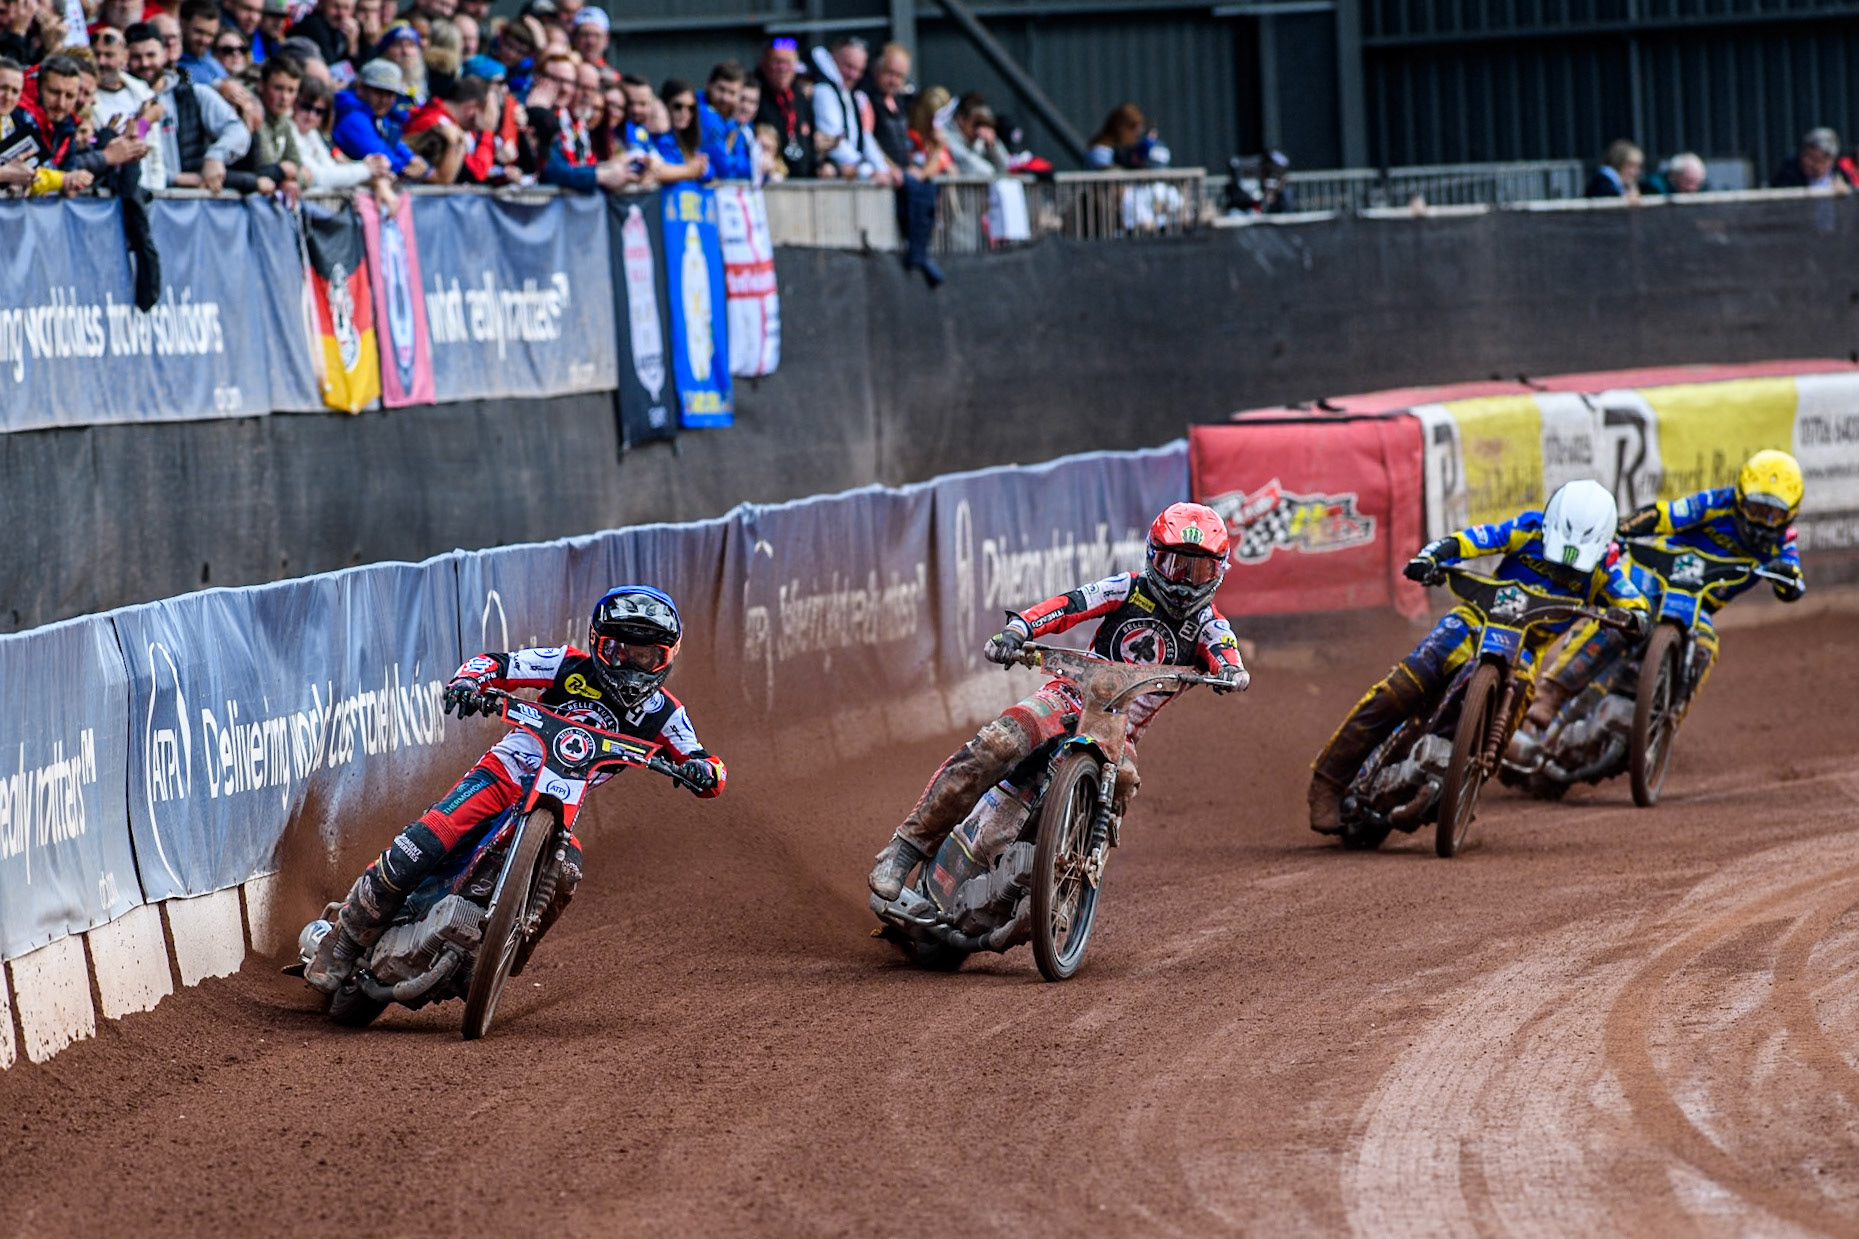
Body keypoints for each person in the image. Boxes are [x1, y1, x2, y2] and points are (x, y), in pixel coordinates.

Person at [304, 587, 728, 994]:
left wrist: (703, 771)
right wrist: (470, 682)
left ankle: (502, 957)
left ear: (666, 658)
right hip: (503, 776)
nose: (632, 666)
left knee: (567, 872)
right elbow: (498, 663)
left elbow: (707, 762)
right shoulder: (566, 664)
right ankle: (342, 943)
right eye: (622, 652)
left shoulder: (666, 713)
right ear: (599, 644)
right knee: (428, 839)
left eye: (646, 656)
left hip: (561, 808)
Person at [868, 503, 1250, 899]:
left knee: (1121, 781)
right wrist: (1019, 629)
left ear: (1218, 572)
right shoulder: (1128, 588)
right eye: (1175, 566)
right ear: (1153, 557)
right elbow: (1070, 605)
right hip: (1068, 697)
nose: (1183, 582)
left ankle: (1071, 872)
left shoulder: (1208, 623)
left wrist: (1232, 672)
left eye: (1198, 570)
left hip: (1119, 731)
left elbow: (1226, 650)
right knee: (1000, 742)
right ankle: (905, 848)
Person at [1306, 479, 1649, 834]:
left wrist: (1636, 618)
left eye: (1574, 569)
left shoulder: (1605, 569)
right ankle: (1329, 782)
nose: (1564, 571)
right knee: (1403, 687)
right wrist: (1433, 557)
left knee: (1510, 715)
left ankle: (1464, 783)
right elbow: (1471, 540)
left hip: (1525, 652)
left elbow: (1633, 599)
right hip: (1471, 623)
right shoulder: (1526, 529)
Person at [1522, 451, 1807, 736]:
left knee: (1707, 644)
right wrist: (1620, 530)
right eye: (1756, 509)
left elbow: (1792, 582)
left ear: (1790, 514)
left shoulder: (1783, 544)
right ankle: (1552, 691)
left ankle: (1664, 725)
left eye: (1774, 515)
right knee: (1624, 616)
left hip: (1695, 610)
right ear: (1741, 498)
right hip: (1656, 577)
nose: (1762, 522)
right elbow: (1664, 515)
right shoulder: (1716, 503)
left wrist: (1787, 578)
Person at [809, 36, 894, 183]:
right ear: (833, 59)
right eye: (848, 67)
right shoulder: (825, 91)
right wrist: (867, 170)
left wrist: (883, 169)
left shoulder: (849, 93)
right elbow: (833, 140)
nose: (853, 75)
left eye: (859, 70)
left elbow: (863, 136)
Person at [330, 55, 424, 177]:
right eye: (378, 92)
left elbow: (393, 143)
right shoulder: (352, 117)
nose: (384, 100)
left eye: (390, 94)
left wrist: (413, 160)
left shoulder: (378, 114)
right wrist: (405, 168)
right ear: (361, 89)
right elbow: (382, 158)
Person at [752, 35, 811, 178]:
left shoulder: (800, 96)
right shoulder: (754, 94)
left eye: (788, 63)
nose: (782, 68)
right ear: (764, 64)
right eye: (777, 62)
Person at [861, 40, 910, 171]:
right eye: (889, 73)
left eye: (900, 76)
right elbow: (868, 141)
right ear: (875, 68)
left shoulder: (901, 102)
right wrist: (891, 168)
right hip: (882, 175)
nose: (894, 81)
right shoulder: (864, 98)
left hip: (902, 174)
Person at [1087, 102, 1166, 170]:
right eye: (1135, 133)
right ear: (1120, 128)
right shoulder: (1099, 151)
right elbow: (1109, 173)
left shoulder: (1121, 151)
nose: (1136, 138)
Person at [1771, 127, 1855, 190]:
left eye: (1814, 159)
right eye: (1804, 155)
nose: (1806, 161)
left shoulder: (1840, 175)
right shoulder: (1788, 176)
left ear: (1830, 161)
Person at [945, 92, 1007, 176]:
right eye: (976, 124)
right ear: (961, 119)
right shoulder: (947, 137)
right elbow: (968, 163)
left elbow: (1004, 167)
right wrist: (992, 174)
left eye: (984, 124)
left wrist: (993, 145)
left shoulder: (979, 141)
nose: (980, 130)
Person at [176, 0, 228, 82]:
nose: (204, 40)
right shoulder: (172, 62)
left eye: (210, 35)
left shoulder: (212, 62)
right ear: (182, 24)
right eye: (199, 32)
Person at [1642, 150, 1707, 195]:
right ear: (1673, 176)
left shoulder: (1703, 187)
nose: (1692, 188)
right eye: (1688, 182)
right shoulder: (1654, 187)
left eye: (1697, 183)